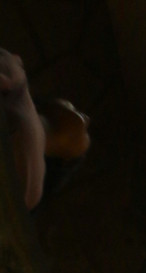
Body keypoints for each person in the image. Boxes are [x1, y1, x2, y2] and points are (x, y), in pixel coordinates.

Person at [1, 50, 89, 211]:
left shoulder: (31, 190)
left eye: (86, 133)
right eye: (74, 107)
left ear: (66, 160)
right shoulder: (17, 79)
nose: (85, 119)